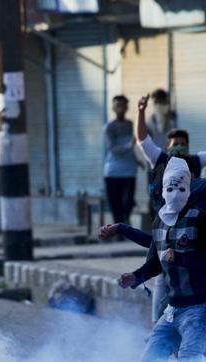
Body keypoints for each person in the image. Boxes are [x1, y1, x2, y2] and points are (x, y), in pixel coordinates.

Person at [118, 157, 206, 361]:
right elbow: (157, 260)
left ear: (189, 189)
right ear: (164, 188)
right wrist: (135, 276)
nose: (175, 194)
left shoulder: (200, 219)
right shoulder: (160, 221)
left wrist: (182, 258)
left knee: (191, 357)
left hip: (199, 309)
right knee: (150, 357)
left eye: (181, 189)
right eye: (171, 188)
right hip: (172, 310)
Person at [136, 94, 206, 214]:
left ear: (188, 146)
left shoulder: (196, 160)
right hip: (163, 214)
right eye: (175, 144)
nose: (179, 147)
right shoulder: (158, 158)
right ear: (167, 146)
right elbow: (142, 139)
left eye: (182, 144)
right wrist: (141, 112)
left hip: (190, 215)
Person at [103, 95, 138, 225]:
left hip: (129, 170)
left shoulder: (131, 125)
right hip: (113, 171)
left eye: (123, 105)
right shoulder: (109, 127)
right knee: (115, 203)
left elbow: (132, 147)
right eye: (118, 106)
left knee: (128, 201)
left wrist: (137, 160)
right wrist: (130, 144)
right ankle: (117, 229)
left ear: (127, 107)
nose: (121, 108)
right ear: (113, 108)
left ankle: (125, 222)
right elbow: (113, 148)